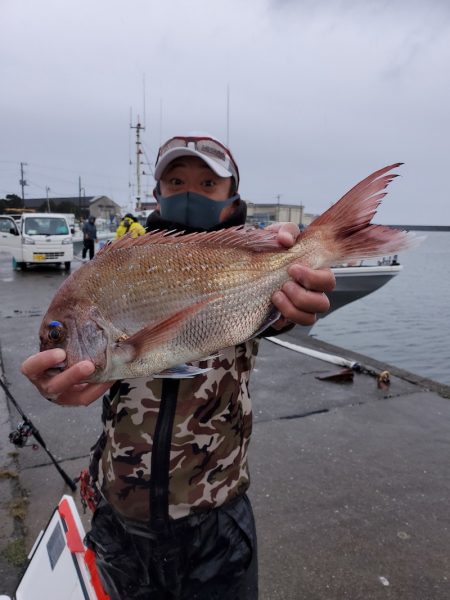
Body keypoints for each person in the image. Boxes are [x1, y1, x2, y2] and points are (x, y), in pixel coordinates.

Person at [21, 134, 335, 599]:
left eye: (208, 182)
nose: (189, 191)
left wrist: (298, 302)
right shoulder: (116, 263)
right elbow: (71, 347)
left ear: (233, 200)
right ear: (157, 194)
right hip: (121, 516)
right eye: (176, 180)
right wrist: (54, 375)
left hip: (217, 520)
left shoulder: (254, 256)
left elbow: (280, 317)